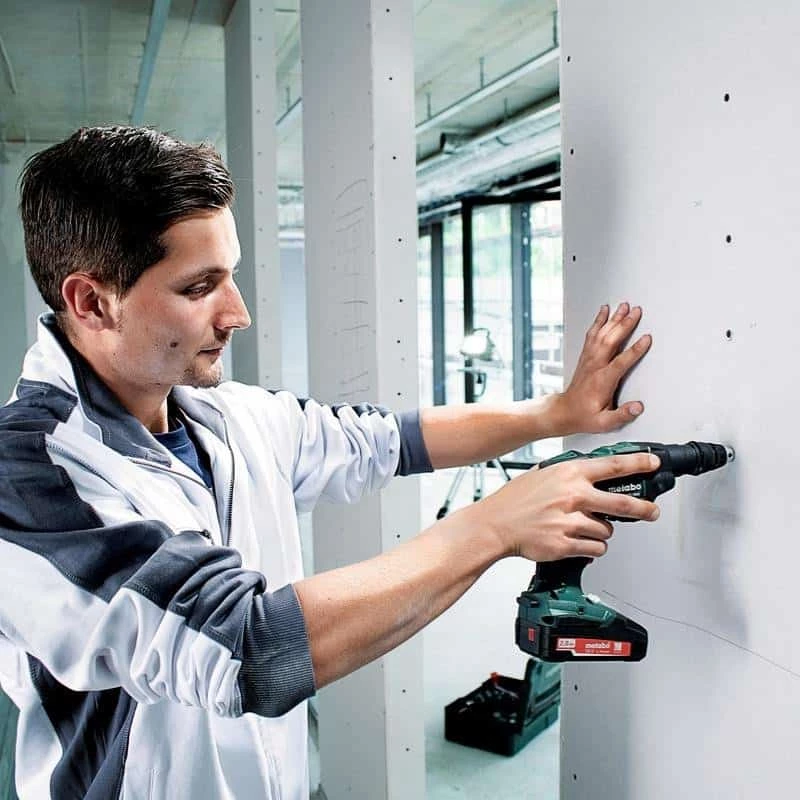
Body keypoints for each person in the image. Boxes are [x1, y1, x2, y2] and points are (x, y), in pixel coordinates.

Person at [0, 125, 660, 800]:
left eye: (232, 275)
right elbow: (248, 649)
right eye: (200, 287)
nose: (238, 313)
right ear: (91, 301)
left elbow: (394, 440)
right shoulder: (27, 477)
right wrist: (493, 526)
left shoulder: (228, 416)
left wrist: (558, 412)